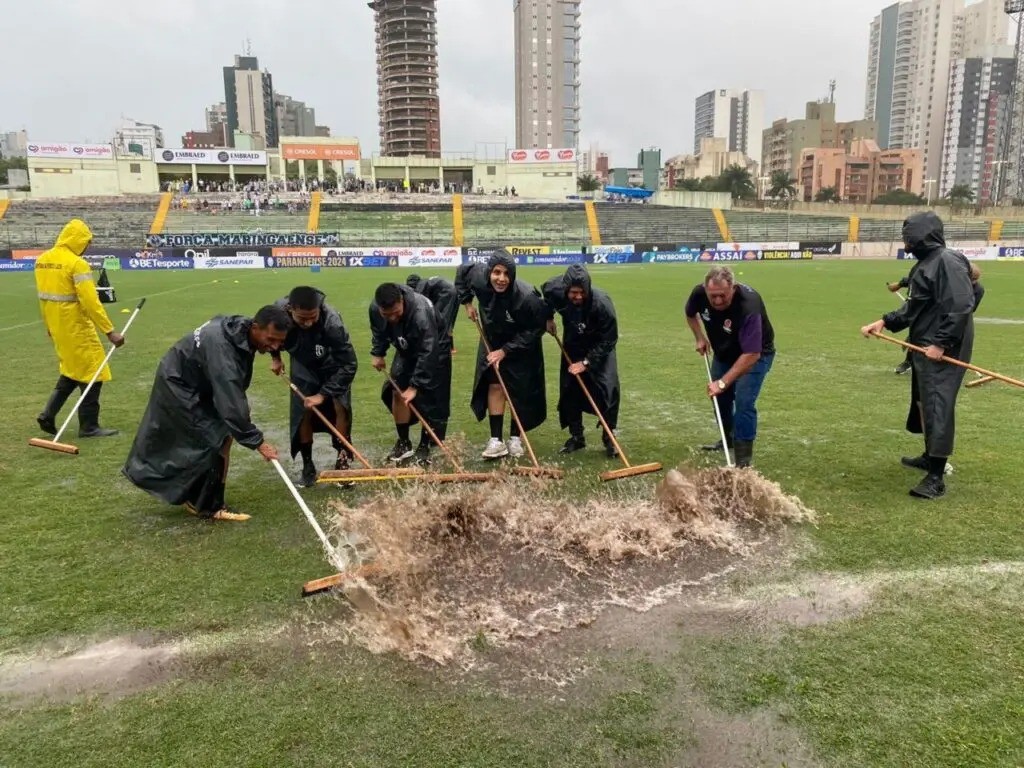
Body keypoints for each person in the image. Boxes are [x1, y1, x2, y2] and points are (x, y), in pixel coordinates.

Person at [122, 307, 291, 522]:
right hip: (180, 385)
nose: (274, 346)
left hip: (200, 382)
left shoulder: (242, 328)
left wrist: (275, 355)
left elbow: (231, 393)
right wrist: (258, 442)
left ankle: (202, 498)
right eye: (271, 339)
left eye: (279, 342)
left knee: (222, 435)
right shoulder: (222, 348)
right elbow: (229, 398)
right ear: (256, 328)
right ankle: (207, 506)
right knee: (215, 437)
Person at [861, 211, 976, 500]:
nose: (905, 241)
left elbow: (963, 303)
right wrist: (885, 321)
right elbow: (913, 309)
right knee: (924, 399)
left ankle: (936, 477)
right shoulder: (925, 266)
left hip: (941, 346)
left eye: (908, 236)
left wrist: (943, 341)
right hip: (924, 344)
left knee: (937, 401)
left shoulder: (947, 261)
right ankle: (929, 455)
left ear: (920, 236)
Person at [34, 219, 125, 439]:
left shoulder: (42, 260)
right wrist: (109, 331)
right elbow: (90, 302)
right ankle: (89, 426)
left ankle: (48, 414)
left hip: (57, 327)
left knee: (72, 371)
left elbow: (43, 298)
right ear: (78, 240)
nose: (88, 247)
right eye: (87, 242)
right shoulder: (77, 264)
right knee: (95, 372)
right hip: (77, 327)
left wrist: (49, 326)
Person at [455, 250, 548, 459]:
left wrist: (506, 350)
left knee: (518, 389)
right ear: (489, 271)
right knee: (494, 384)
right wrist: (467, 302)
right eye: (496, 272)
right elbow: (462, 272)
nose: (501, 278)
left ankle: (515, 438)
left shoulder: (526, 297)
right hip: (492, 337)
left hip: (523, 345)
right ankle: (496, 440)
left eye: (507, 274)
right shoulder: (479, 278)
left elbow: (536, 329)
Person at [684, 266, 776, 468]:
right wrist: (699, 337)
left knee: (744, 401)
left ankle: (743, 461)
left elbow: (752, 353)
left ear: (733, 288)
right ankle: (728, 438)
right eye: (713, 296)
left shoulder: (749, 305)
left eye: (722, 296)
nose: (717, 301)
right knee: (720, 400)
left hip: (756, 354)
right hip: (724, 353)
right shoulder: (699, 293)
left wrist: (723, 383)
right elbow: (690, 314)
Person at [270, 286, 358, 487]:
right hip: (303, 363)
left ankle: (342, 461)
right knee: (303, 410)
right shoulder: (278, 313)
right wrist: (276, 357)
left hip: (333, 363)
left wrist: (324, 394)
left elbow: (349, 364)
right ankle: (308, 465)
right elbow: (271, 335)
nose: (308, 322)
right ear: (290, 310)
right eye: (302, 318)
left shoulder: (332, 323)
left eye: (313, 317)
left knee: (340, 407)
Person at [369, 282, 453, 466]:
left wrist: (416, 386)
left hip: (435, 351)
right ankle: (404, 443)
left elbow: (428, 350)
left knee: (428, 397)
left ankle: (425, 446)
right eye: (386, 314)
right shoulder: (375, 308)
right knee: (397, 391)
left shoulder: (421, 313)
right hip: (406, 349)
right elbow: (379, 331)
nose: (391, 318)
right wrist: (378, 352)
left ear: (402, 301)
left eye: (396, 313)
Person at [541, 264, 621, 457]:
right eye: (573, 293)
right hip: (572, 344)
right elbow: (545, 295)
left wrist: (586, 363)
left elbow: (609, 339)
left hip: (599, 347)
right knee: (570, 389)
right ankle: (577, 437)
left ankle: (609, 438)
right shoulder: (555, 289)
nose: (577, 297)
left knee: (608, 390)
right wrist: (549, 318)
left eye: (581, 292)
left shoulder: (602, 304)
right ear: (566, 289)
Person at [406, 272, 459, 353]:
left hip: (447, 293)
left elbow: (422, 305)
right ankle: (451, 348)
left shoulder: (420, 287)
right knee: (449, 322)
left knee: (440, 322)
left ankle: (442, 348)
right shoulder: (427, 282)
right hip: (456, 292)